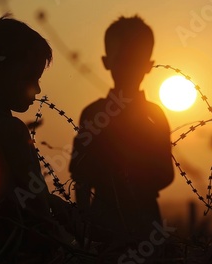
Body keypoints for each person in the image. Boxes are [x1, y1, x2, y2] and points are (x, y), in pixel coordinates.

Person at [0, 15, 70, 263]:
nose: (37, 89)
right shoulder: (11, 130)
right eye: (30, 77)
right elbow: (36, 205)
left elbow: (5, 195)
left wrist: (52, 201)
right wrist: (64, 240)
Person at [69, 15, 175, 244]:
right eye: (123, 60)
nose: (128, 68)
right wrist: (84, 224)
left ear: (148, 65)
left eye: (134, 61)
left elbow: (167, 173)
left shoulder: (154, 116)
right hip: (104, 222)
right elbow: (80, 175)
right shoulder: (93, 115)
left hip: (144, 222)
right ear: (107, 62)